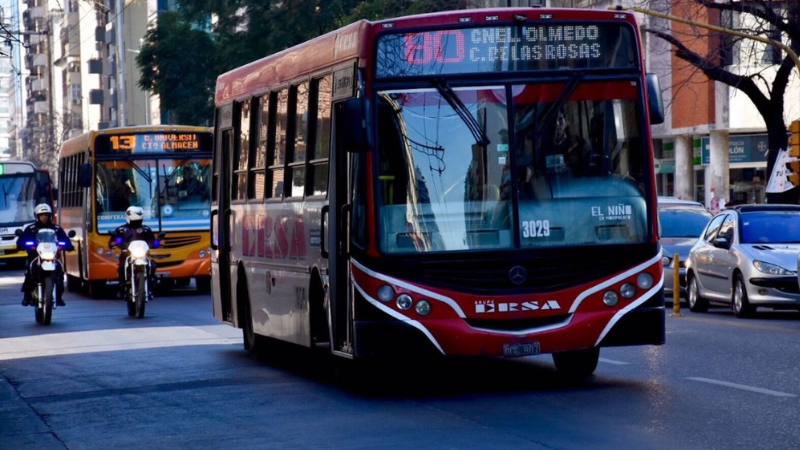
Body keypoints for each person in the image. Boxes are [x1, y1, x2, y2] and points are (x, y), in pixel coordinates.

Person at [17, 204, 74, 307]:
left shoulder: (56, 228)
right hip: (35, 256)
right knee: (29, 271)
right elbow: (21, 241)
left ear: (50, 215)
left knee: (59, 271)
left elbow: (66, 240)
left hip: (52, 257)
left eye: (46, 214)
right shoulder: (31, 228)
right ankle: (27, 296)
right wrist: (27, 245)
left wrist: (65, 245)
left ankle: (59, 297)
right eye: (41, 215)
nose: (44, 217)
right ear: (37, 216)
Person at [109, 206, 158, 301]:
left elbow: (152, 240)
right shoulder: (121, 230)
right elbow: (114, 241)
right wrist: (116, 243)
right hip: (127, 255)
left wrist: (156, 243)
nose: (137, 222)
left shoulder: (146, 229)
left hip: (143, 255)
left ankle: (150, 286)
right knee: (122, 267)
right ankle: (122, 287)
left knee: (152, 266)